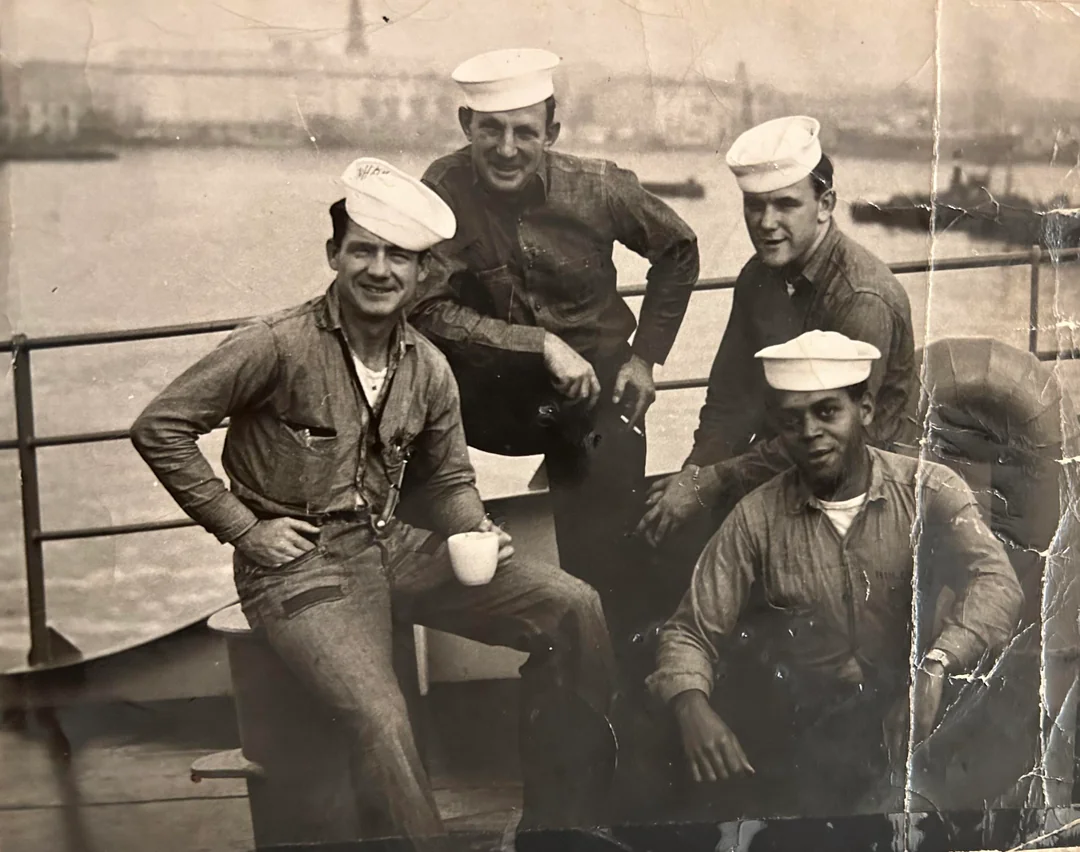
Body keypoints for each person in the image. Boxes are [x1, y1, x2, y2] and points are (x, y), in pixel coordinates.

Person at [130, 157, 617, 851]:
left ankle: (566, 821)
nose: (380, 270)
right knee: (382, 718)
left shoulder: (428, 366)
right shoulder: (276, 345)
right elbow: (161, 426)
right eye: (364, 250)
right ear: (334, 254)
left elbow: (448, 480)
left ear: (422, 272)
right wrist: (243, 529)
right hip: (299, 568)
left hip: (394, 545)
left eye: (399, 257)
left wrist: (473, 530)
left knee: (574, 607)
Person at [633, 330, 1022, 837]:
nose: (810, 432)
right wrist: (690, 703)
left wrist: (936, 665)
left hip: (908, 716)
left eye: (827, 412)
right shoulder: (755, 518)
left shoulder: (929, 490)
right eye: (792, 420)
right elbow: (690, 630)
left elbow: (997, 581)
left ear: (864, 410)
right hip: (805, 731)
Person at [408, 48, 700, 657]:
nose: (506, 148)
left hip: (594, 400)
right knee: (406, 468)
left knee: (607, 566)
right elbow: (425, 307)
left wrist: (645, 358)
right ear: (466, 125)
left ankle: (600, 677)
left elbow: (679, 248)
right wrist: (540, 343)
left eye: (524, 132)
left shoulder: (598, 186)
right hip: (492, 398)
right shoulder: (441, 188)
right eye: (490, 130)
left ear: (552, 132)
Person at [638, 117, 916, 574]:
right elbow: (729, 402)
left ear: (825, 205)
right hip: (785, 468)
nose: (766, 223)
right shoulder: (758, 276)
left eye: (786, 205)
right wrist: (693, 474)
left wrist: (712, 484)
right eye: (754, 206)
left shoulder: (861, 299)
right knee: (657, 533)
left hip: (859, 486)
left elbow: (832, 438)